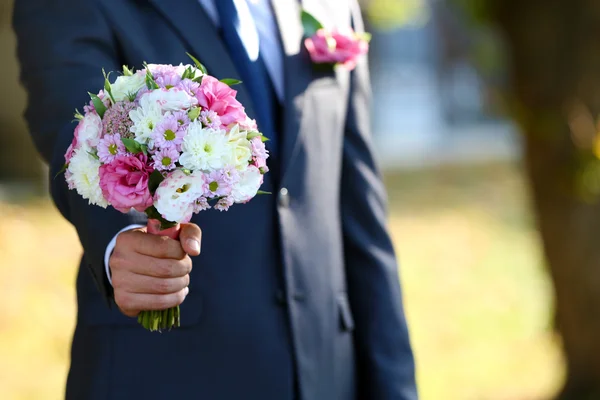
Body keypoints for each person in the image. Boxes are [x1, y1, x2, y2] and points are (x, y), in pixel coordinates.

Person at [13, 0, 417, 399]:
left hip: (328, 374)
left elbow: (359, 216)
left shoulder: (329, 7)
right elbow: (71, 131)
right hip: (164, 373)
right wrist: (123, 242)